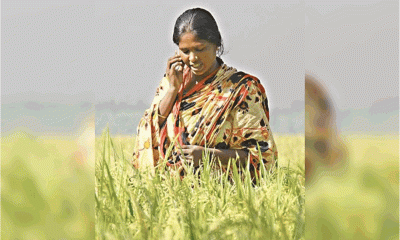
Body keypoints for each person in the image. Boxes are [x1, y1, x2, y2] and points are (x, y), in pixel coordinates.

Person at [132, 8, 278, 178]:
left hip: (221, 195)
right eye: (185, 51)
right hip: (169, 194)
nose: (192, 58)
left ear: (216, 45)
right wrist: (172, 90)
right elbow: (149, 131)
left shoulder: (241, 89)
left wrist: (209, 156)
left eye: (199, 49)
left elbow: (261, 155)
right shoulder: (172, 81)